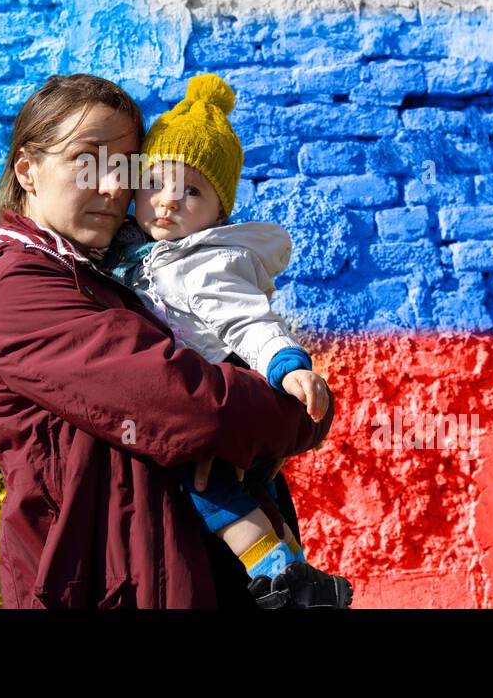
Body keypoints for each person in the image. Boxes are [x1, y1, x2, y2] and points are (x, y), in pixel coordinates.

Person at [0, 73, 336, 608]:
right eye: (87, 162)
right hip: (105, 586)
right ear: (27, 170)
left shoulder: (114, 271)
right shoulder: (15, 289)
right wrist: (295, 409)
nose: (111, 188)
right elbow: (196, 410)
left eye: (124, 169)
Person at [99, 73, 352, 607]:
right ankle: (302, 577)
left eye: (192, 191)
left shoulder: (206, 265)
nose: (168, 201)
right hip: (208, 399)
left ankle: (282, 576)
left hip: (229, 396)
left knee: (209, 486)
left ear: (219, 213)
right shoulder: (141, 252)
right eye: (156, 183)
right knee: (256, 495)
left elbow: (250, 323)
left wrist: (289, 365)